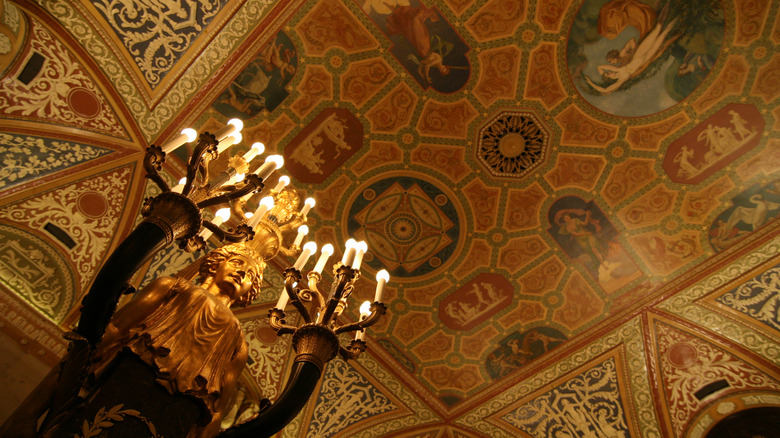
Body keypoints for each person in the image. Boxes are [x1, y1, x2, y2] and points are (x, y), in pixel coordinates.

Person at [3, 243, 264, 438]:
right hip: (121, 383)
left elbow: (217, 409)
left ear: (248, 294)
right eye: (237, 263)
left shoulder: (238, 342)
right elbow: (110, 332)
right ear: (215, 263)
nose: (242, 274)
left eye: (251, 276)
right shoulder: (173, 288)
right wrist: (30, 410)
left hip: (178, 414)